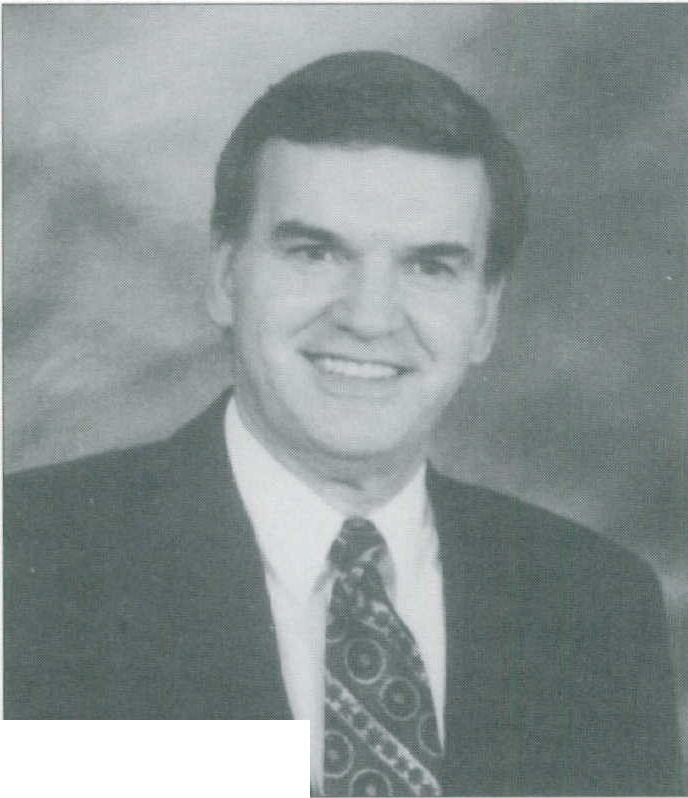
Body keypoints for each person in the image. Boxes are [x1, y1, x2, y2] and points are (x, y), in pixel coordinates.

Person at [4, 51, 682, 796]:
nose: (369, 317)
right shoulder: (29, 562)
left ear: (485, 316)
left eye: (430, 266)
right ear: (225, 279)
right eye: (316, 252)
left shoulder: (593, 603)